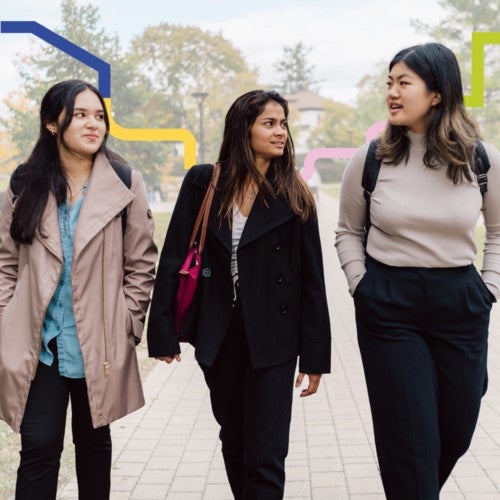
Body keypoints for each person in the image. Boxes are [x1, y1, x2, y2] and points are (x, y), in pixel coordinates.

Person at [147, 89, 331, 499]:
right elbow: (175, 253)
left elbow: (311, 280)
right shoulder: (204, 181)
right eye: (269, 123)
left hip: (275, 336)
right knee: (234, 439)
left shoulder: (296, 194)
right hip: (220, 332)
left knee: (267, 452)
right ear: (242, 128)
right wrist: (161, 330)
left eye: (283, 123)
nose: (280, 132)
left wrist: (315, 355)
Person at [335, 43, 500, 499]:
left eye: (403, 82)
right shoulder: (370, 158)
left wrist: (488, 289)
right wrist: (360, 285)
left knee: (458, 428)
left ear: (436, 93)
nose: (392, 91)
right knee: (408, 436)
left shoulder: (481, 160)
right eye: (389, 82)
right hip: (390, 305)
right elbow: (348, 230)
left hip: (461, 301)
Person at [0, 79, 157, 499]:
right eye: (81, 115)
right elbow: (5, 262)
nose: (93, 124)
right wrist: (6, 320)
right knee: (37, 447)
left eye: (99, 116)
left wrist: (128, 323)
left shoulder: (125, 181)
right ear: (52, 123)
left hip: (99, 343)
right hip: (41, 347)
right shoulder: (23, 183)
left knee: (94, 447)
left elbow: (141, 263)